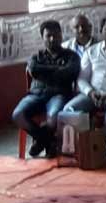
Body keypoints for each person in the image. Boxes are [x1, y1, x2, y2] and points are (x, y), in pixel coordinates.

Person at [12, 20, 81, 158]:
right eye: (48, 36)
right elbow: (34, 69)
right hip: (36, 95)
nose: (52, 39)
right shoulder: (36, 57)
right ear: (42, 37)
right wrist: (57, 70)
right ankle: (47, 141)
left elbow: (69, 72)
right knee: (17, 115)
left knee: (54, 117)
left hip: (58, 95)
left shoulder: (72, 56)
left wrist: (44, 72)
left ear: (61, 35)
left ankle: (40, 142)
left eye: (56, 35)